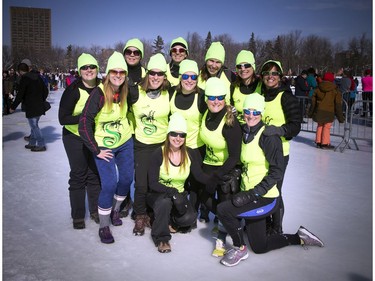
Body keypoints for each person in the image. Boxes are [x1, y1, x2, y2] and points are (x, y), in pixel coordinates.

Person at [217, 93, 324, 267]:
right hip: (250, 193)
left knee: (223, 209)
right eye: (247, 111)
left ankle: (239, 247)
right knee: (260, 247)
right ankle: (299, 237)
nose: (251, 115)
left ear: (261, 113)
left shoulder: (269, 137)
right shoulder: (245, 132)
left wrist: (253, 193)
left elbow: (277, 172)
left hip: (265, 196)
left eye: (256, 112)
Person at [78, 51, 134, 244]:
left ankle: (116, 210)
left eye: (122, 71)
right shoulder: (99, 93)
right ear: (108, 73)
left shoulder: (126, 90)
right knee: (109, 183)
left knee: (127, 179)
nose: (118, 75)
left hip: (125, 141)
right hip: (104, 144)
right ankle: (103, 225)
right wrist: (96, 149)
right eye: (114, 71)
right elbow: (84, 123)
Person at [147, 112, 210, 253]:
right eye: (174, 134)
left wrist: (218, 179)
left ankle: (167, 221)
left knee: (190, 218)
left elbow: (199, 176)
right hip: (158, 194)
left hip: (178, 196)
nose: (178, 138)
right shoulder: (158, 153)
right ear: (168, 134)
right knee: (165, 202)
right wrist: (171, 192)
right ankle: (162, 238)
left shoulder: (189, 154)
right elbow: (152, 183)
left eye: (182, 135)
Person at [199, 77, 242, 257]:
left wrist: (217, 176)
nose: (216, 101)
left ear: (225, 98)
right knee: (204, 196)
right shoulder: (206, 114)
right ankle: (228, 219)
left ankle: (222, 239)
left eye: (220, 97)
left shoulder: (230, 122)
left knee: (224, 200)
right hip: (209, 164)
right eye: (212, 97)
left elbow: (234, 157)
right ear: (206, 99)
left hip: (226, 168)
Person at [128, 53, 171, 236]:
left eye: (159, 74)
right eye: (152, 73)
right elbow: (114, 101)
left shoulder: (169, 93)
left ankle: (153, 213)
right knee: (141, 183)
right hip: (142, 145)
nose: (155, 77)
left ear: (164, 76)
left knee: (157, 183)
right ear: (147, 74)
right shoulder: (136, 91)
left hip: (162, 145)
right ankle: (140, 215)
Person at [58, 53, 102, 229]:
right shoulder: (73, 90)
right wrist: (85, 118)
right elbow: (63, 118)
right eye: (84, 67)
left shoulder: (102, 87)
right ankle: (77, 215)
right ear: (79, 70)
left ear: (97, 69)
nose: (89, 70)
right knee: (78, 175)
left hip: (94, 137)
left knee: (94, 174)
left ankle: (95, 210)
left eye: (92, 66)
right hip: (74, 137)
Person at [259, 60, 302, 235]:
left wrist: (279, 130)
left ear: (280, 76)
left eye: (275, 73)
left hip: (279, 153)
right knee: (261, 188)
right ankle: (264, 222)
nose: (270, 77)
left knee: (275, 189)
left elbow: (295, 126)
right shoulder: (261, 94)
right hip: (260, 152)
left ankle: (277, 227)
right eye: (267, 73)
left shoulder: (286, 96)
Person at [169, 59, 207, 222]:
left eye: (193, 77)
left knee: (195, 184)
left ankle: (192, 213)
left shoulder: (202, 96)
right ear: (180, 77)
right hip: (175, 147)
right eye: (186, 76)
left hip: (196, 148)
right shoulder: (171, 93)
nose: (189, 80)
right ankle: (177, 212)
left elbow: (216, 110)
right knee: (178, 182)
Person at [119, 38, 146, 219]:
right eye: (129, 52)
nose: (132, 55)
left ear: (141, 55)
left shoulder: (146, 73)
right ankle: (124, 200)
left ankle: (140, 204)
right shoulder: (118, 71)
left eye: (136, 52)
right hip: (124, 127)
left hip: (143, 128)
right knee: (125, 169)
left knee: (140, 171)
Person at [9, 62, 49, 152]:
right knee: (34, 125)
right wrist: (41, 99)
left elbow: (20, 94)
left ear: (20, 71)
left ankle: (41, 144)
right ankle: (32, 142)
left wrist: (13, 107)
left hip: (32, 106)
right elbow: (45, 90)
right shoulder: (37, 77)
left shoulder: (25, 79)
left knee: (34, 126)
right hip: (39, 105)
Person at [308, 72, 345, 149]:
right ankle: (324, 143)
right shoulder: (334, 90)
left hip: (319, 110)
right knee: (327, 127)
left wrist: (310, 113)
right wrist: (340, 118)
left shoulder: (318, 88)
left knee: (320, 125)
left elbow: (313, 102)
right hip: (329, 111)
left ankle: (318, 141)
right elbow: (338, 104)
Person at [230, 50, 261, 124]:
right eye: (239, 66)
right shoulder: (234, 86)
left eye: (247, 65)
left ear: (253, 67)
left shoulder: (262, 85)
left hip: (257, 130)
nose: (243, 69)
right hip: (238, 129)